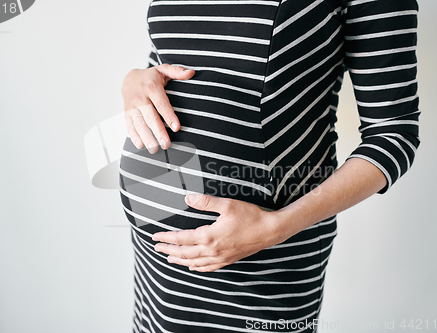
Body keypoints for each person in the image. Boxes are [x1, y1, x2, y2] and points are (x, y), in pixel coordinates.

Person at [119, 0, 420, 332]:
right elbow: (171, 61)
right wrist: (136, 81)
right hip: (155, 255)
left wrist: (273, 229)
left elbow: (394, 133)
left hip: (262, 254)